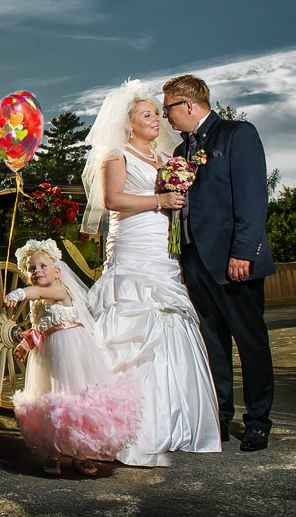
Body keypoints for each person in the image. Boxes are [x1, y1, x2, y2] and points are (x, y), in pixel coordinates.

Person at [82, 78, 222, 466]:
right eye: (147, 115)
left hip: (163, 252)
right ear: (128, 124)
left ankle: (177, 423)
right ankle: (126, 426)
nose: (156, 120)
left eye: (157, 113)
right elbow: (113, 199)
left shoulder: (167, 160)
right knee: (133, 325)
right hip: (133, 248)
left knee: (171, 325)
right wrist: (159, 198)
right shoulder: (117, 154)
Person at [161, 74, 275, 452]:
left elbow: (253, 196)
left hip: (232, 259)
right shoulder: (180, 154)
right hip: (194, 261)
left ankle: (258, 420)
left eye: (169, 110)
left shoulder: (237, 134)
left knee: (250, 342)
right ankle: (221, 417)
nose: (166, 118)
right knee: (213, 345)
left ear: (188, 105)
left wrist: (243, 250)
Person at [4, 239, 140, 476]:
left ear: (57, 271)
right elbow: (40, 326)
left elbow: (38, 291)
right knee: (50, 397)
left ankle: (80, 453)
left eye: (43, 266)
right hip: (47, 355)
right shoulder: (37, 301)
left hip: (70, 352)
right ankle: (52, 453)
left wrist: (20, 292)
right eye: (32, 269)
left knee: (73, 396)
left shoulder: (59, 290)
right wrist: (28, 343)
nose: (37, 272)